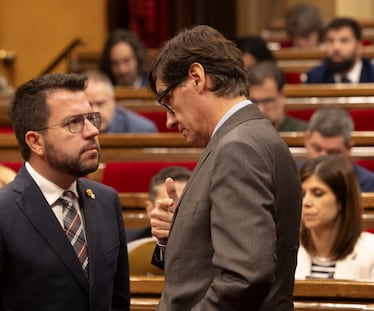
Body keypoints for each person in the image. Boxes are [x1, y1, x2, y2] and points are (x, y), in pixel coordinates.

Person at [148, 25, 302, 310]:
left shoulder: (238, 147)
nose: (169, 120)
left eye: (167, 100)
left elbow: (244, 276)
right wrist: (179, 232)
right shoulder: (250, 136)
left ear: (196, 78)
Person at [0, 73, 130, 310]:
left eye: (91, 118)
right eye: (74, 122)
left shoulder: (106, 200)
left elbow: (118, 302)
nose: (92, 131)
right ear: (35, 142)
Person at [296, 154, 374, 280]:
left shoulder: (371, 251)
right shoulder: (285, 248)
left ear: (341, 201)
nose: (306, 202)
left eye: (318, 193)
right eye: (303, 194)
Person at [305, 106, 374, 192]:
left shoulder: (369, 185)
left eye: (332, 152)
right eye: (317, 149)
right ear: (307, 140)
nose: (322, 158)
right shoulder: (290, 178)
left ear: (348, 148)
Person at [126, 165, 192, 243]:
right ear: (150, 209)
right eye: (169, 205)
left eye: (185, 206)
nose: (176, 214)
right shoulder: (126, 241)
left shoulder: (208, 242)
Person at [84, 70, 157, 133]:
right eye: (89, 104)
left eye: (100, 104)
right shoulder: (74, 129)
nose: (94, 111)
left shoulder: (142, 130)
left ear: (113, 101)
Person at [306, 17, 374, 83]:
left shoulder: (371, 74)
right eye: (330, 41)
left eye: (344, 41)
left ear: (359, 45)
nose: (336, 47)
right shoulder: (315, 78)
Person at [248, 61, 308, 131]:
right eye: (254, 102)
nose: (261, 110)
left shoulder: (304, 132)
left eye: (268, 101)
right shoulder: (240, 135)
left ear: (282, 95)